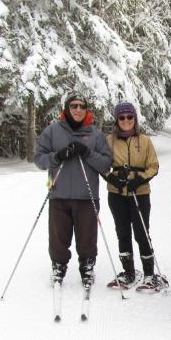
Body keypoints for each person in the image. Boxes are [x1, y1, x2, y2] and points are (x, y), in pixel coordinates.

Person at [34, 92, 112, 287]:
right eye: (74, 106)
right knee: (59, 236)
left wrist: (86, 152)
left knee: (87, 236)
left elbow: (105, 163)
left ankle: (87, 267)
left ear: (86, 110)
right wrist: (57, 156)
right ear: (66, 109)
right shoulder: (53, 131)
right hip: (59, 193)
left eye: (82, 106)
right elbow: (39, 159)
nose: (78, 109)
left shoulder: (95, 134)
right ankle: (58, 267)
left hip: (87, 195)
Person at [102, 102, 164, 292]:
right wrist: (112, 176)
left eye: (130, 117)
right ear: (117, 120)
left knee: (141, 232)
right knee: (122, 232)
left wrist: (140, 179)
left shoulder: (144, 140)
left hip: (139, 192)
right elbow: (102, 163)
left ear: (135, 119)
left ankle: (149, 274)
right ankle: (128, 272)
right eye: (122, 117)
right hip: (116, 192)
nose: (126, 121)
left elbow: (153, 165)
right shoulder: (109, 140)